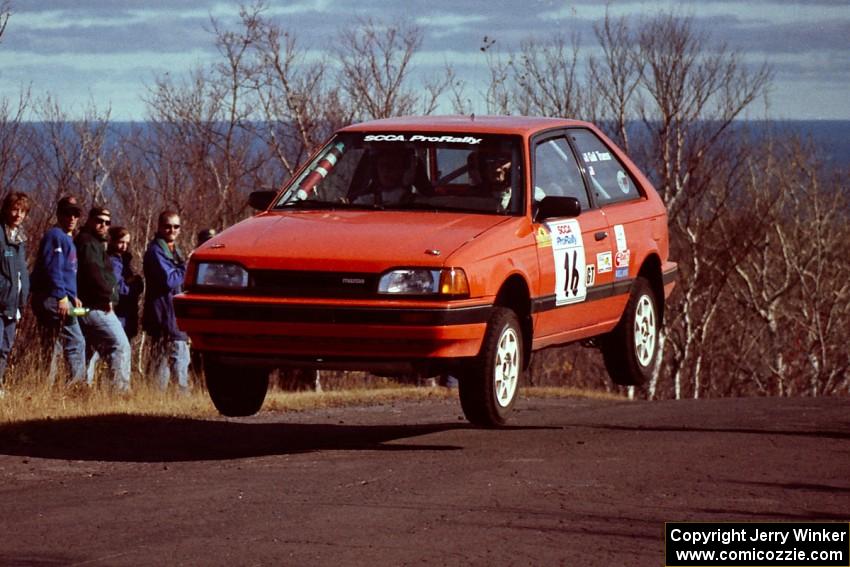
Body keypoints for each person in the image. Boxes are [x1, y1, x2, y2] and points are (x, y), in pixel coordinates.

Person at [30, 195, 87, 386]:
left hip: (61, 296)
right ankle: (77, 386)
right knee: (76, 341)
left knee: (51, 344)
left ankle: (45, 387)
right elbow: (52, 268)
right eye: (67, 213)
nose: (72, 218)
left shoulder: (67, 239)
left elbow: (66, 271)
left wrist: (73, 296)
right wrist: (62, 297)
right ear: (59, 214)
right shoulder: (55, 235)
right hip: (53, 298)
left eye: (75, 214)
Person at [75, 206, 131, 393]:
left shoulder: (94, 243)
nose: (103, 225)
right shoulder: (88, 242)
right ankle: (119, 393)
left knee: (90, 351)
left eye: (107, 223)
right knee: (120, 345)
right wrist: (107, 296)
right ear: (90, 220)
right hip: (94, 307)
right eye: (99, 221)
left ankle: (85, 390)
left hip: (87, 307)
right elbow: (93, 273)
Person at [143, 210, 190, 393]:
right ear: (160, 226)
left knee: (172, 358)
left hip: (175, 315)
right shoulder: (156, 251)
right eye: (168, 226)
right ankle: (176, 398)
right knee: (173, 357)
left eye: (176, 226)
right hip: (163, 315)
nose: (172, 230)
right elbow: (169, 280)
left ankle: (161, 399)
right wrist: (187, 266)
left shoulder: (174, 250)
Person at [0, 192, 31, 397]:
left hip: (14, 304)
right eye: (14, 209)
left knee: (5, 346)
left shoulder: (20, 239)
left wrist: (22, 299)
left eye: (22, 211)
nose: (18, 214)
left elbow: (21, 272)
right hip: (0, 301)